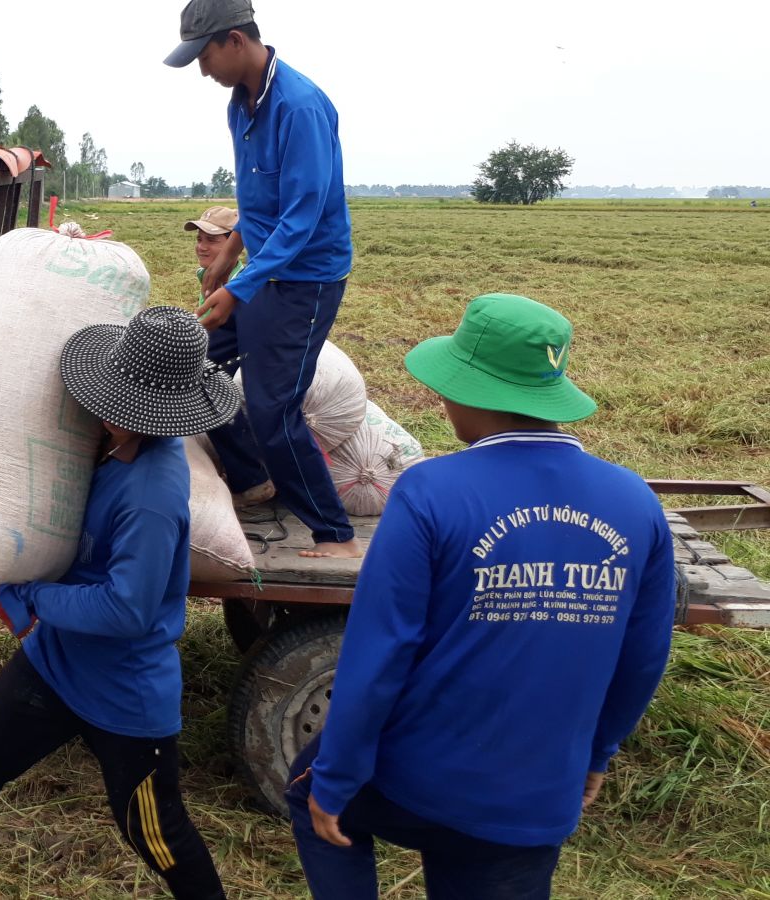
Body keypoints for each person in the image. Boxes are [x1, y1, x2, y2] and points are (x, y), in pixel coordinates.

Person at [287, 293, 676, 899]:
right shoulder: (634, 500)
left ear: (469, 392)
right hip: (536, 797)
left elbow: (381, 649)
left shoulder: (429, 490)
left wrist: (336, 776)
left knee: (305, 787)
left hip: (419, 779)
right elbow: (644, 655)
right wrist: (597, 753)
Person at [0, 306, 238, 900]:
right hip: (56, 661)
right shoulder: (108, 446)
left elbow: (128, 611)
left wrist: (26, 594)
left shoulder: (150, 495)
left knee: (155, 831)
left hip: (121, 686)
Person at [165, 0, 360, 557]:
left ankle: (335, 533)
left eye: (204, 57)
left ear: (234, 40)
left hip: (306, 280)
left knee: (274, 410)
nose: (203, 71)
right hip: (263, 270)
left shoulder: (300, 106)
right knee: (191, 360)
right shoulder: (239, 105)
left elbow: (301, 216)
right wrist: (228, 255)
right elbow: (255, 200)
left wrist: (238, 288)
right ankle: (252, 477)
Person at [187, 207, 244, 376]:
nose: (201, 247)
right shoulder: (204, 275)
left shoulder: (242, 291)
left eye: (211, 240)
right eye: (199, 239)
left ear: (234, 245)